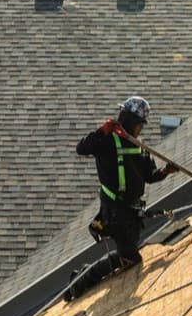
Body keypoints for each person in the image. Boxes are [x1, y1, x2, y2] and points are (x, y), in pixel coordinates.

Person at [75, 96, 175, 275]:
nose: (140, 129)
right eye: (140, 124)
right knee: (131, 258)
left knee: (129, 252)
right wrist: (101, 131)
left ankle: (90, 271)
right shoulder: (106, 141)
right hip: (114, 209)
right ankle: (84, 277)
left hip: (131, 210)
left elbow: (149, 176)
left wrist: (166, 171)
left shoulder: (138, 146)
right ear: (131, 121)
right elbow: (81, 148)